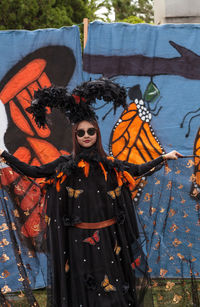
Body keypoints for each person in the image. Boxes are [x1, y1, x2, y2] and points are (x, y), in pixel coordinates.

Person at [0, 79, 182, 306]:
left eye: (91, 132)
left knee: (112, 284)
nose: (86, 136)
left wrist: (163, 158)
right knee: (83, 284)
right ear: (75, 136)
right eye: (81, 133)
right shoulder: (64, 166)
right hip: (77, 240)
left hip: (108, 237)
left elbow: (136, 170)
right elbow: (34, 172)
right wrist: (5, 155)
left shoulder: (109, 165)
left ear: (97, 133)